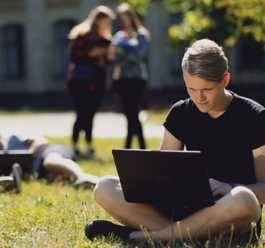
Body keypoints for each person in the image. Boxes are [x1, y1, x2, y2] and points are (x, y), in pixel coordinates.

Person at [84, 39, 265, 244]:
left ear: (225, 79)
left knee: (244, 198)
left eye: (207, 89)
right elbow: (162, 175)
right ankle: (189, 239)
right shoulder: (181, 113)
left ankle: (142, 237)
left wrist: (230, 187)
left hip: (229, 210)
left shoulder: (254, 117)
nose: (199, 98)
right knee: (105, 187)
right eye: (191, 89)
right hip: (183, 211)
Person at [67, 5, 115, 158]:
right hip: (80, 80)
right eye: (105, 22)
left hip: (97, 80)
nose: (107, 25)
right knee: (81, 112)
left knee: (91, 113)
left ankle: (88, 145)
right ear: (98, 20)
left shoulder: (105, 40)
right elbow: (74, 55)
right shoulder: (82, 34)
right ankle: (74, 146)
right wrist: (92, 54)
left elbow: (107, 63)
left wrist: (108, 55)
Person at [110, 3, 150, 149]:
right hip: (122, 79)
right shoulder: (119, 36)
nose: (124, 21)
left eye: (126, 17)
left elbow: (139, 56)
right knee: (129, 112)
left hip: (137, 78)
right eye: (121, 19)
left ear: (131, 17)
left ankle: (134, 146)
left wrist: (124, 51)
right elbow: (113, 55)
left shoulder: (141, 35)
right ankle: (137, 146)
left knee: (133, 111)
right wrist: (126, 51)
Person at [0, 134, 99, 188]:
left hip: (47, 151)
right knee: (56, 178)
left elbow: (40, 141)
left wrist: (30, 155)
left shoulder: (13, 140)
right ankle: (90, 185)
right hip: (39, 172)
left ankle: (82, 177)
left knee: (50, 163)